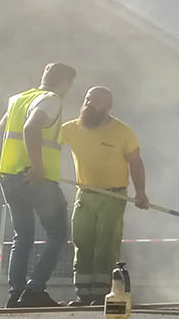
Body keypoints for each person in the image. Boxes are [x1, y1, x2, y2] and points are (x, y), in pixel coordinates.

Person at [57, 87, 149, 306]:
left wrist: (141, 193)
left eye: (96, 100)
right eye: (87, 98)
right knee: (82, 239)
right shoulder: (71, 128)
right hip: (85, 193)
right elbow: (47, 142)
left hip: (113, 195)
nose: (89, 103)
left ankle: (101, 293)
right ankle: (82, 293)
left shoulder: (123, 131)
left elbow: (135, 163)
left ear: (108, 107)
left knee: (106, 242)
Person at [0, 62, 77, 307]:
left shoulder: (19, 98)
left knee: (23, 235)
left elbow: (3, 128)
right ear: (64, 82)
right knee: (57, 233)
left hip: (9, 175)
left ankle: (15, 292)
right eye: (70, 84)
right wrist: (38, 166)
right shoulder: (51, 100)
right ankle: (34, 290)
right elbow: (31, 127)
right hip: (36, 178)